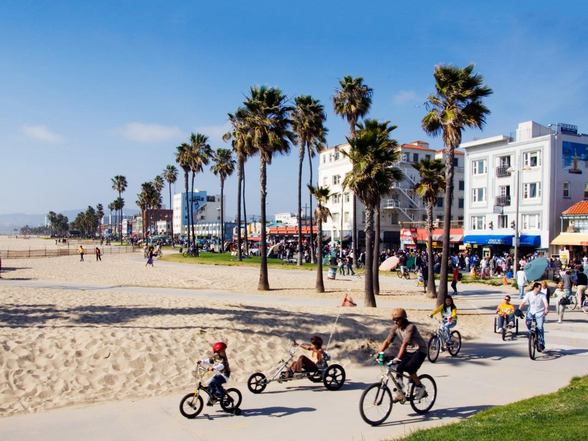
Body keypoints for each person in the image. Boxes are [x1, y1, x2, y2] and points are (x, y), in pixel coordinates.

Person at [378, 308, 427, 402]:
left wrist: (398, 358)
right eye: (394, 320)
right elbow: (387, 341)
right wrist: (380, 353)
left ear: (404, 318)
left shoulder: (410, 327)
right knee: (399, 368)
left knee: (410, 368)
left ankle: (420, 387)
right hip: (409, 351)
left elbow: (404, 344)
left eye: (397, 319)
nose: (395, 322)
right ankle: (400, 392)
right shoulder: (395, 328)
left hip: (420, 350)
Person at [519, 282, 549, 351]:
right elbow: (523, 302)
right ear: (535, 288)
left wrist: (546, 309)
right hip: (531, 312)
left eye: (540, 288)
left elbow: (545, 303)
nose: (540, 289)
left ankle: (541, 343)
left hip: (540, 313)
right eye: (539, 288)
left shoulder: (542, 295)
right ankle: (531, 334)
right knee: (528, 323)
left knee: (540, 327)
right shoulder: (529, 294)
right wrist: (519, 310)